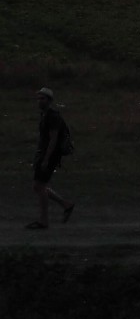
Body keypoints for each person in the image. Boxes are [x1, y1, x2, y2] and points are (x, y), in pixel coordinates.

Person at [29, 87, 77, 230]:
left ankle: (44, 222)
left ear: (49, 100)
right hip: (45, 154)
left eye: (42, 98)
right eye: (38, 98)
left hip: (49, 156)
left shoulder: (52, 116)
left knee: (39, 186)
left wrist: (45, 159)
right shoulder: (45, 115)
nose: (39, 101)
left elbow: (53, 140)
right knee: (39, 186)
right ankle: (66, 205)